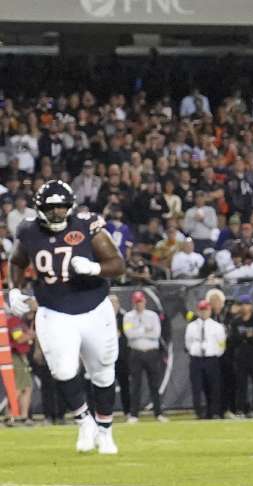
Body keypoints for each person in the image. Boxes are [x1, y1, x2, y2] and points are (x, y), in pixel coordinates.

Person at [6, 180, 122, 453]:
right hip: (54, 309)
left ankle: (105, 431)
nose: (58, 213)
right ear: (40, 209)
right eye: (52, 207)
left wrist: (94, 268)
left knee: (103, 373)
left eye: (62, 207)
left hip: (94, 306)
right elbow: (17, 262)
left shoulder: (86, 224)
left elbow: (117, 263)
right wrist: (14, 291)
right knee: (63, 370)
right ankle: (84, 421)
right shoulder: (28, 230)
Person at [122, 290, 167, 423]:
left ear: (144, 301)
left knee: (154, 384)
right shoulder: (128, 317)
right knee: (135, 385)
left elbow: (156, 334)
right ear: (133, 303)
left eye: (140, 301)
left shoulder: (152, 315)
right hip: (136, 352)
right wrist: (144, 329)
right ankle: (134, 414)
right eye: (136, 302)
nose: (139, 304)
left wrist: (139, 331)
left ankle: (158, 413)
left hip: (151, 352)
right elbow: (129, 334)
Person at [228, 295, 253, 417]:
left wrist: (245, 337)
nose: (244, 307)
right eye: (241, 304)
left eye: (246, 304)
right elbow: (233, 339)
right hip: (241, 357)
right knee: (241, 385)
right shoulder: (235, 322)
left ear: (250, 306)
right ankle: (241, 409)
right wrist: (247, 336)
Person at [185, 299, 226, 419]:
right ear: (198, 311)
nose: (203, 312)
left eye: (206, 310)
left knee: (213, 387)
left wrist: (214, 354)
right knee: (197, 387)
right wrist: (195, 351)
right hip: (196, 359)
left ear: (209, 310)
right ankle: (199, 412)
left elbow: (221, 344)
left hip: (211, 358)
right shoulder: (191, 326)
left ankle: (213, 412)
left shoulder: (217, 326)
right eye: (201, 310)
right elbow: (188, 343)